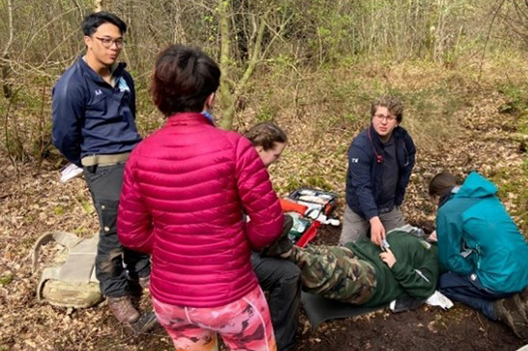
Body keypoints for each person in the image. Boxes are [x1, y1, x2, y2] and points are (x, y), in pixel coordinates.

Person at [117, 45, 284, 351]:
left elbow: (130, 232)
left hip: (171, 301)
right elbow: (270, 223)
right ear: (210, 97)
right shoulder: (234, 147)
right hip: (230, 296)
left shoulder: (141, 154)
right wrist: (237, 241)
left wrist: (173, 243)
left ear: (160, 97)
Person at [51, 12, 150, 324]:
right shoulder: (72, 84)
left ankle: (142, 270)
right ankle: (115, 291)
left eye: (118, 41)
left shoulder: (123, 78)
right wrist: (90, 162)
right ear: (88, 40)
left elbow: (129, 116)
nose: (113, 47)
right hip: (103, 166)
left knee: (143, 220)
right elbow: (64, 136)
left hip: (135, 160)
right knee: (114, 231)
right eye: (106, 40)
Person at [429, 171, 528, 337]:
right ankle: (518, 290)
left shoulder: (448, 211)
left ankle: (494, 308)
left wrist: (468, 268)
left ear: (437, 197)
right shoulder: (485, 196)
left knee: (445, 282)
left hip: (500, 280)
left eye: (434, 203)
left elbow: (449, 259)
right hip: (525, 269)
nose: (436, 207)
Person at [266, 227, 438, 307]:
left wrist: (396, 265)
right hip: (358, 251)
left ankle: (287, 252)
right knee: (320, 252)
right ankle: (282, 249)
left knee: (333, 271)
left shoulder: (432, 257)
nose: (437, 230)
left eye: (441, 231)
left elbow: (425, 287)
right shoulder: (415, 233)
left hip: (376, 276)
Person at [244, 122, 301, 351]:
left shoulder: (232, 160)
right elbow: (269, 225)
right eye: (275, 156)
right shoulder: (248, 172)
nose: (275, 162)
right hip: (225, 255)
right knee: (289, 274)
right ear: (259, 149)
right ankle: (281, 343)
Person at [339, 96, 416, 246]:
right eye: (380, 116)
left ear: (397, 122)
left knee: (404, 246)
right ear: (373, 118)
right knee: (347, 249)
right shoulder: (360, 147)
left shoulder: (403, 140)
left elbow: (408, 165)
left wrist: (397, 198)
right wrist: (374, 219)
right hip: (359, 208)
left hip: (388, 205)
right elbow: (362, 187)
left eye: (390, 117)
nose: (384, 122)